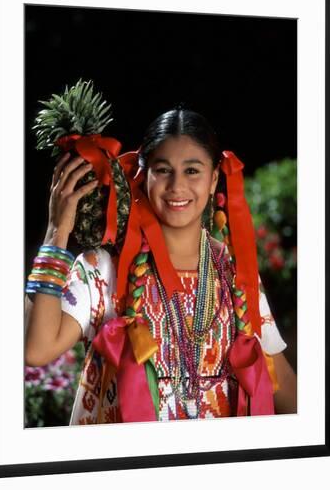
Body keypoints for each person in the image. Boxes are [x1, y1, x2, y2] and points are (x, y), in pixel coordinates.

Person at [24, 107, 297, 424]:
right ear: (144, 175)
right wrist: (57, 231)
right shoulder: (103, 269)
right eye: (163, 170)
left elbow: (281, 382)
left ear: (214, 180)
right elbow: (36, 349)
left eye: (192, 171)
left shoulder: (235, 270)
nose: (177, 186)